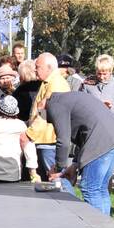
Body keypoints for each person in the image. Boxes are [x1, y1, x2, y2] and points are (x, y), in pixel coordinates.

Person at [46, 91, 114, 212]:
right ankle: (106, 227)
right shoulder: (71, 98)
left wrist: (59, 169)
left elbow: (63, 141)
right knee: (100, 188)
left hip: (101, 141)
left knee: (90, 188)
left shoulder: (55, 104)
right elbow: (84, 135)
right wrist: (75, 164)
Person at [26, 52, 72, 187]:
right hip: (45, 138)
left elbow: (46, 113)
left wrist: (30, 133)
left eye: (38, 67)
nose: (35, 69)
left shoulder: (56, 83)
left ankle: (68, 203)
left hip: (49, 139)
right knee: (54, 179)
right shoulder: (49, 81)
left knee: (57, 178)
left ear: (49, 67)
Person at [0, 95, 39, 183]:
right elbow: (29, 148)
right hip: (12, 175)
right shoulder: (20, 126)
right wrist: (33, 172)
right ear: (15, 113)